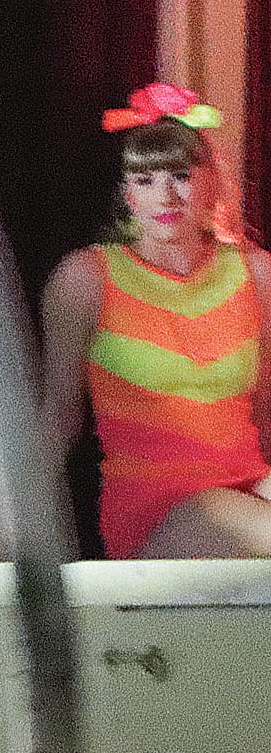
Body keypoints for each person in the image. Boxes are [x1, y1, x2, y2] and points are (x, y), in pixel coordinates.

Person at [37, 82, 271, 559]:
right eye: (145, 181)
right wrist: (3, 535)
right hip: (160, 513)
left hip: (251, 495)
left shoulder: (257, 272)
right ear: (127, 194)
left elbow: (265, 409)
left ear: (210, 182)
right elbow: (58, 418)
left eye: (180, 175)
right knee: (214, 511)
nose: (166, 195)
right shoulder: (86, 278)